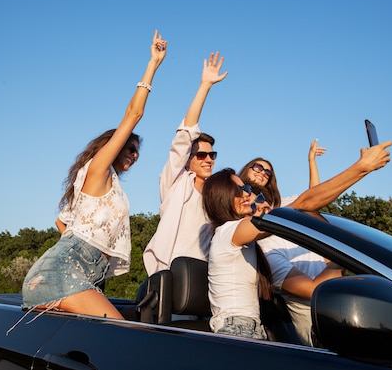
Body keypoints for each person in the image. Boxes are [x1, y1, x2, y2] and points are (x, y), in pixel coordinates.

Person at [22, 30, 168, 320]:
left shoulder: (107, 187)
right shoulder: (97, 170)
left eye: (137, 152)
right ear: (110, 146)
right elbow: (133, 115)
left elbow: (61, 221)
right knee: (125, 337)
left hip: (85, 277)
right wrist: (153, 65)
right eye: (129, 146)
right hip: (61, 273)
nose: (134, 154)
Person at [241, 139, 392, 345]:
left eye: (268, 172)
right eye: (257, 167)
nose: (262, 172)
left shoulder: (283, 211)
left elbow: (313, 199)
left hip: (343, 311)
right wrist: (340, 256)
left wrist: (312, 162)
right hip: (321, 331)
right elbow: (306, 203)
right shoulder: (263, 247)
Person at [143, 52, 228, 275]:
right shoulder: (176, 183)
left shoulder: (216, 196)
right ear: (187, 160)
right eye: (201, 155)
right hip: (170, 275)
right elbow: (185, 135)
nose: (208, 159)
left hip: (205, 277)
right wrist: (205, 86)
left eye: (212, 155)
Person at [203, 168, 274, 339]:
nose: (246, 195)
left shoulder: (237, 235)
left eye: (247, 189)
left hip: (247, 327)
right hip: (238, 328)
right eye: (237, 190)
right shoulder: (228, 231)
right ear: (221, 197)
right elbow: (277, 221)